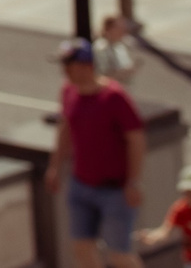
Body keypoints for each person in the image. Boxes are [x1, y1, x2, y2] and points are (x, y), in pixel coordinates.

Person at [48, 37, 147, 268]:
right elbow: (66, 127)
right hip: (81, 184)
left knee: (119, 255)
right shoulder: (68, 91)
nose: (64, 72)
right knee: (82, 249)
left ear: (85, 66)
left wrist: (134, 181)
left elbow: (136, 140)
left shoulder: (114, 97)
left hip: (114, 190)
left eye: (68, 65)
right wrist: (55, 166)